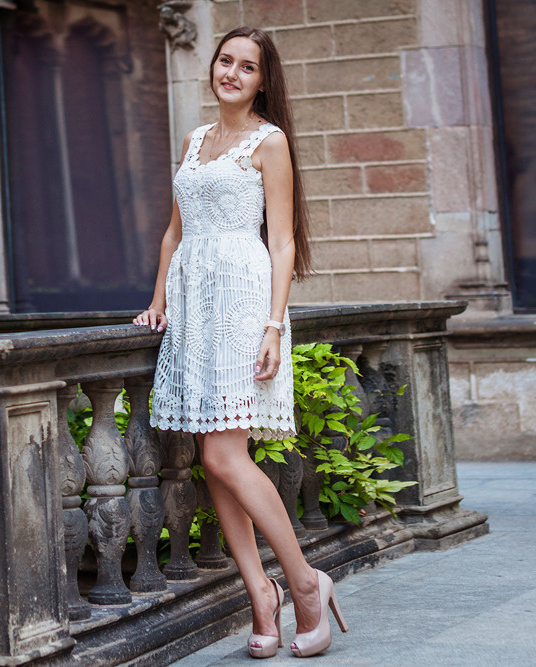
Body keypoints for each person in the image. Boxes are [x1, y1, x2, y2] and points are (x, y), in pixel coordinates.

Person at [133, 27, 348, 658]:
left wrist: (274, 326)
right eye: (225, 61)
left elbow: (281, 242)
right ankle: (261, 595)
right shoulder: (194, 139)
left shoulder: (269, 141)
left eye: (246, 66)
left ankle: (304, 583)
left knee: (227, 457)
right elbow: (174, 233)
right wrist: (158, 300)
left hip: (241, 303)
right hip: (193, 307)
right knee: (213, 458)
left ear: (261, 80)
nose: (231, 72)